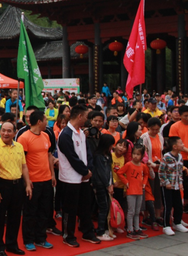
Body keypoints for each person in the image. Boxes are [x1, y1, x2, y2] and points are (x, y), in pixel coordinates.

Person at [57, 105, 100, 247]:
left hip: (84, 177)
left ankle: (88, 232)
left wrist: (88, 170)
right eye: (86, 116)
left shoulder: (81, 133)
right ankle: (68, 235)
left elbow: (87, 153)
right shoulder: (65, 134)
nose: (88, 120)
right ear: (80, 116)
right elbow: (71, 157)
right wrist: (84, 171)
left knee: (85, 206)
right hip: (70, 178)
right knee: (70, 209)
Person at [0, 121, 31, 256]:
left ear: (14, 132)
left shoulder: (19, 146)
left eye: (9, 131)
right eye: (3, 130)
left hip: (17, 185)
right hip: (1, 185)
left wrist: (28, 184)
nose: (6, 133)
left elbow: (24, 166)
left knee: (15, 216)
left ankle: (12, 244)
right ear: (0, 132)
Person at [17, 111, 56, 251]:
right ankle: (28, 239)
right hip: (33, 181)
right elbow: (22, 162)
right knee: (30, 212)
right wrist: (27, 181)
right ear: (39, 121)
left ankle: (41, 238)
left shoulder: (46, 135)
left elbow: (49, 156)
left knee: (44, 211)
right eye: (46, 120)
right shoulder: (24, 138)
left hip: (46, 180)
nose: (48, 122)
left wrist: (52, 175)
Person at [159, 136, 188, 236]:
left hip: (177, 185)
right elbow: (161, 171)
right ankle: (166, 226)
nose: (183, 145)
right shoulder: (167, 157)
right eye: (181, 143)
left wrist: (180, 182)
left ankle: (177, 222)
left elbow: (180, 171)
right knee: (168, 206)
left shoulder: (180, 157)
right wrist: (166, 182)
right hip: (167, 186)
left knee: (178, 205)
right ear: (175, 146)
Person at [116, 145, 149, 239]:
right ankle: (130, 229)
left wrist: (144, 183)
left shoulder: (143, 166)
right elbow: (120, 173)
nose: (135, 156)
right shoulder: (128, 164)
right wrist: (126, 182)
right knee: (131, 211)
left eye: (138, 154)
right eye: (134, 154)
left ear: (142, 156)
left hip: (139, 190)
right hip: (131, 191)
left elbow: (146, 174)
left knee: (137, 211)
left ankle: (137, 228)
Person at [92, 134, 115, 241]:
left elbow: (109, 171)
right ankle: (100, 231)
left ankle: (106, 228)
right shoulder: (98, 156)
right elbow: (101, 172)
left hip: (107, 184)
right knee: (103, 207)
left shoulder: (108, 155)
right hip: (101, 185)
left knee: (107, 207)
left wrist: (111, 183)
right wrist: (107, 185)